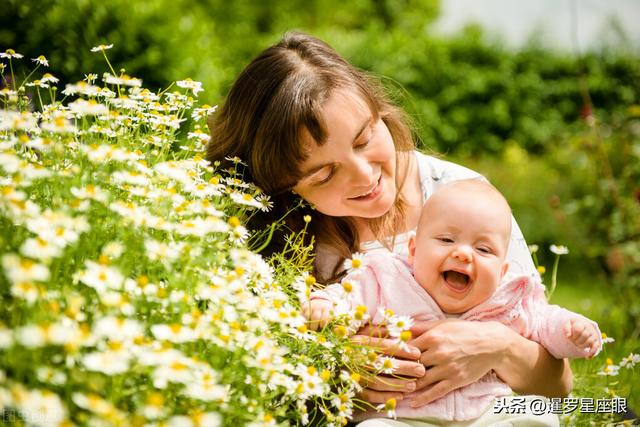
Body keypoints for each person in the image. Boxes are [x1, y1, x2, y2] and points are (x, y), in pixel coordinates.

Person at [205, 31, 573, 413]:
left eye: (364, 140)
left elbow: (557, 385)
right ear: (284, 186)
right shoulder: (275, 236)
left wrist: (497, 346)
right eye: (325, 174)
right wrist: (338, 374)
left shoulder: (465, 200)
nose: (364, 176)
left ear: (379, 112)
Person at [304, 179, 602, 426]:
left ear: (501, 272)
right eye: (447, 240)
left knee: (537, 413)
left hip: (486, 412)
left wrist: (573, 331)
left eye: (483, 248)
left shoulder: (509, 298)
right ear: (413, 249)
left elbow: (545, 323)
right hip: (406, 413)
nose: (463, 254)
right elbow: (349, 296)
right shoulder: (385, 278)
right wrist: (325, 304)